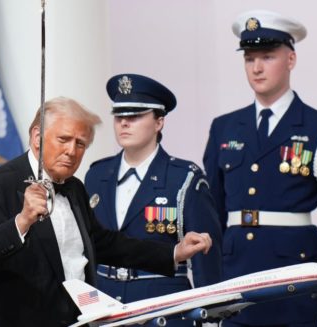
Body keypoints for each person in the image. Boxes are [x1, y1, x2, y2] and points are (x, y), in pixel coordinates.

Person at [0, 97, 212, 327]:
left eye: (81, 143)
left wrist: (173, 252)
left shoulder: (73, 188)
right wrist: (22, 221)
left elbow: (102, 243)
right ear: (37, 137)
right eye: (63, 139)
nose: (72, 151)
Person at [203, 9, 317, 327]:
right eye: (249, 58)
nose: (256, 68)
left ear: (291, 59)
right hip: (233, 286)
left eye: (268, 56)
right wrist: (205, 296)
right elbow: (210, 219)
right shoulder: (224, 128)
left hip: (294, 288)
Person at [84, 74, 222, 325]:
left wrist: (211, 316)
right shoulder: (96, 175)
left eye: (135, 116)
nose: (124, 123)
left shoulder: (184, 179)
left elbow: (205, 255)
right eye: (119, 116)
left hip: (162, 309)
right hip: (103, 307)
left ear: (159, 122)